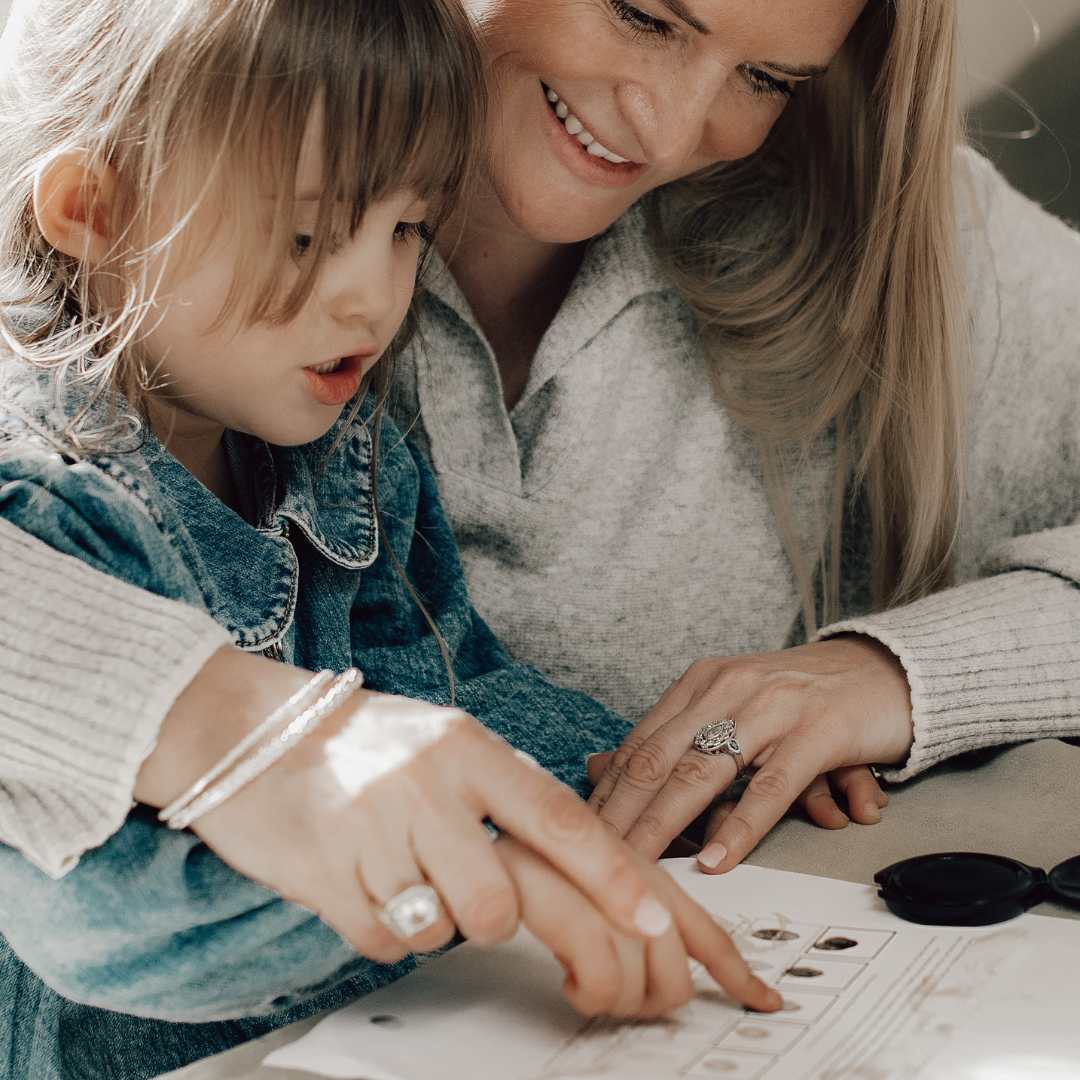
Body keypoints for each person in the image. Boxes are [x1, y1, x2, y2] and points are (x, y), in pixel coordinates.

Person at [3, 0, 1079, 966]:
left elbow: (461, 690)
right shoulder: (133, 160)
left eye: (767, 80)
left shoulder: (894, 234)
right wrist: (255, 745)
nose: (665, 128)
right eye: (645, 16)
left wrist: (880, 684)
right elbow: (95, 914)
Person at [0, 1, 781, 1077]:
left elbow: (457, 694)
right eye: (309, 234)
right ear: (94, 208)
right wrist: (491, 872)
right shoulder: (42, 503)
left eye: (409, 228)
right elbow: (111, 925)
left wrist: (687, 778)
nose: (372, 295)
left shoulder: (343, 450)